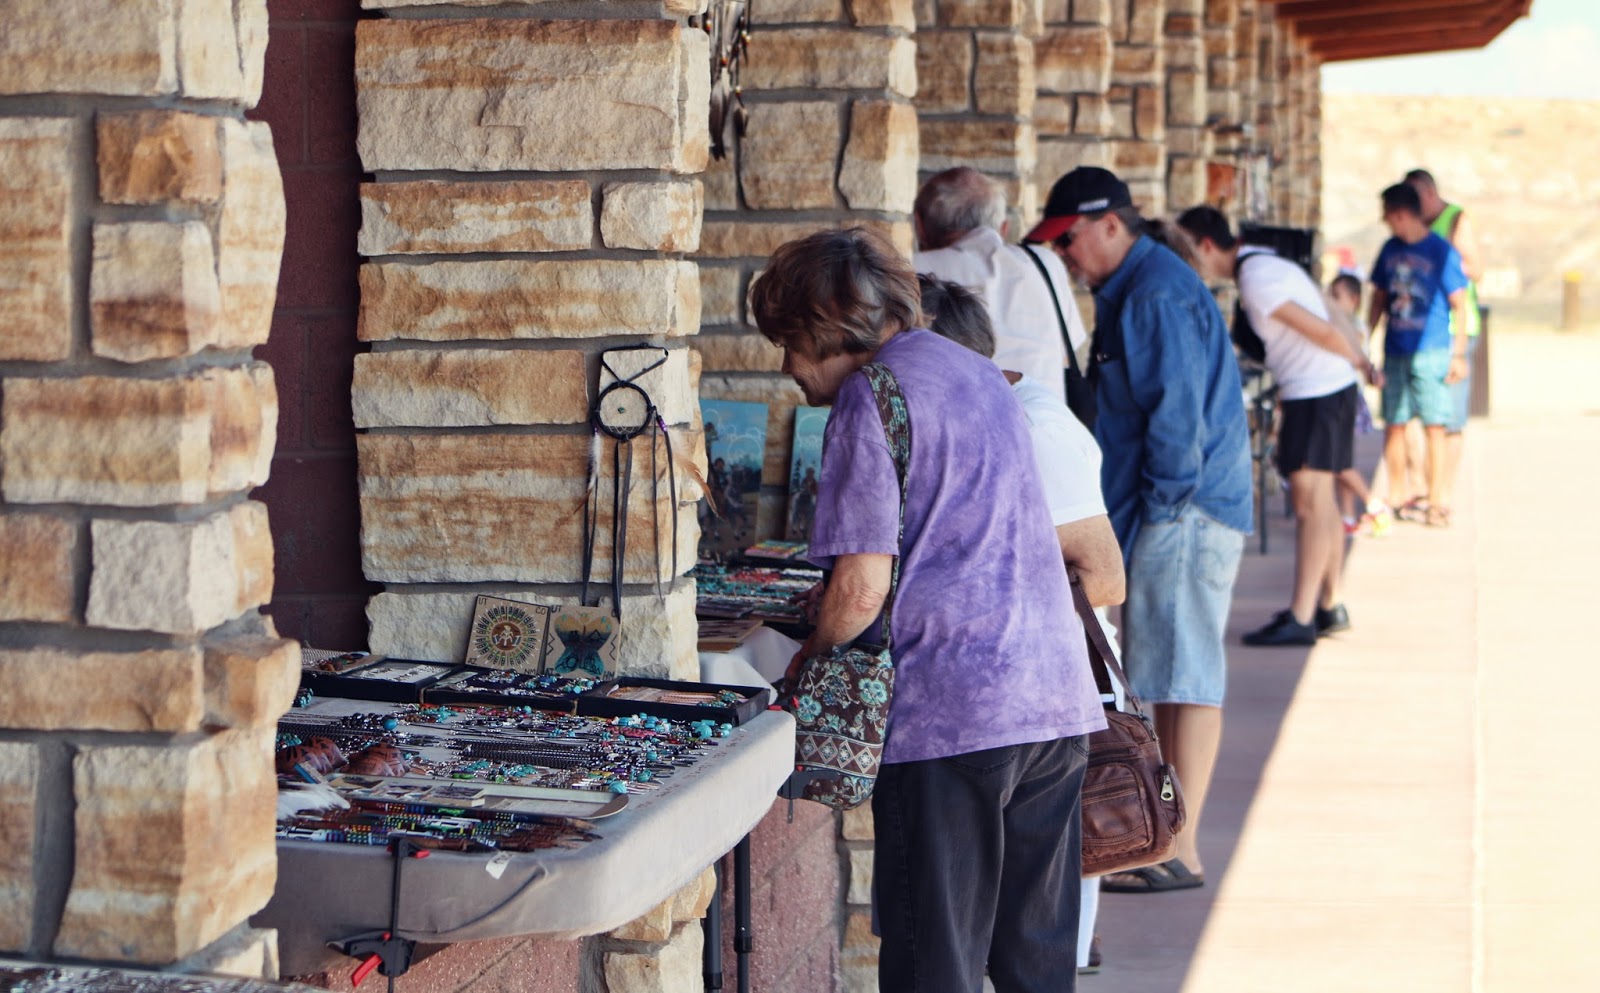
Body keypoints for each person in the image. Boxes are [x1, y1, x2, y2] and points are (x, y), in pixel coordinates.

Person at [754, 228, 1107, 993]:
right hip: (1052, 700)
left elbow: (859, 591)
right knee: (1034, 961)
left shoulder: (869, 395)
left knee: (931, 960)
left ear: (822, 327)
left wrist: (807, 664)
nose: (786, 367)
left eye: (788, 342)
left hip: (951, 713)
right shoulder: (980, 373)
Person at [1025, 167, 1251, 892]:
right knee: (1173, 674)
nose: (1064, 254)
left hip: (1181, 511)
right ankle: (1170, 843)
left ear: (1112, 224)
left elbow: (1176, 424)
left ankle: (1175, 848)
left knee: (1185, 675)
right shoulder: (1142, 285)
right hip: (1173, 509)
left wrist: (1160, 513)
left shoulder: (1153, 293)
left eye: (1069, 239)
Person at [919, 273, 1122, 975]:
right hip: (1013, 699)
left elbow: (1103, 575)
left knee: (1026, 944)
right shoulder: (979, 419)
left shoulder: (1031, 421)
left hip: (1036, 699)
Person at [1176, 206, 1376, 646]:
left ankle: (1302, 616)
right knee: (1321, 503)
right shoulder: (1267, 260)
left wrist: (1359, 359)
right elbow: (1325, 303)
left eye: (1186, 250)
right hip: (1326, 389)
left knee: (1309, 505)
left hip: (1316, 391)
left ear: (1205, 245)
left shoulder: (1257, 279)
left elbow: (1321, 328)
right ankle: (1329, 603)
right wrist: (1357, 359)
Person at [912, 167, 1088, 405]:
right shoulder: (1045, 264)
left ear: (919, 227)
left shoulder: (913, 271)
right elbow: (1066, 356)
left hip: (965, 433)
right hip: (1047, 430)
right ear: (1004, 228)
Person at [1367, 182, 1471, 528]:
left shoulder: (1440, 251)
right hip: (1396, 348)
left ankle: (1437, 498)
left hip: (1432, 349)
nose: (1387, 223)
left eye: (1388, 216)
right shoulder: (1389, 250)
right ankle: (1397, 493)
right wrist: (1367, 342)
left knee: (1434, 425)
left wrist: (1458, 354)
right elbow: (1379, 299)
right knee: (1394, 424)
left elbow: (1460, 304)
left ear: (1401, 214)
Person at [1406, 169, 1483, 516]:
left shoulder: (1455, 220)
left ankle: (1444, 492)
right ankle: (1425, 486)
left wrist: (1439, 262)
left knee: (1449, 415)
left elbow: (1476, 269)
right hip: (1421, 327)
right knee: (1418, 413)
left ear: (1427, 193)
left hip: (1454, 326)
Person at [1325, 273, 1392, 537]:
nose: (1330, 302)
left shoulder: (1350, 327)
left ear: (1353, 300)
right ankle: (1348, 515)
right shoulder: (1350, 326)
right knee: (1341, 460)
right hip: (1344, 397)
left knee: (1337, 463)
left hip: (1343, 398)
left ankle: (1374, 505)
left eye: (1336, 297)